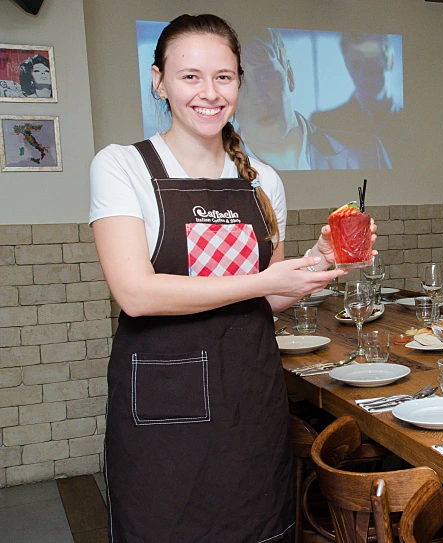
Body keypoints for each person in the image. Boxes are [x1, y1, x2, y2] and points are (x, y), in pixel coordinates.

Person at [89, 14, 367, 542]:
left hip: (250, 404)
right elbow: (136, 292)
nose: (209, 93)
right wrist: (263, 281)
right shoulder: (122, 166)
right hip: (162, 419)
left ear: (240, 81)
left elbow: (272, 300)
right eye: (190, 76)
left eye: (224, 76)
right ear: (159, 81)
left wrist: (318, 259)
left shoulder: (262, 179)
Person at [235, 28, 390, 170]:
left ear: (290, 75)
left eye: (265, 75)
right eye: (240, 83)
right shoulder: (216, 165)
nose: (257, 97)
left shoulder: (366, 154)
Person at [310, 33, 403, 164]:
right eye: (356, 64)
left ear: (390, 61)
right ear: (347, 67)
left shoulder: (416, 123)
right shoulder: (324, 127)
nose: (364, 73)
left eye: (372, 61)